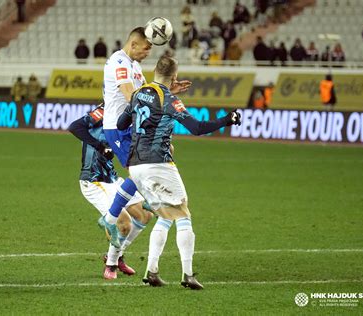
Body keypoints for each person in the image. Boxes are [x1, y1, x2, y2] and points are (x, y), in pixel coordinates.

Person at [116, 55, 242, 289]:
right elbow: (197, 128)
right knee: (183, 214)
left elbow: (122, 124)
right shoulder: (170, 100)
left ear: (154, 71)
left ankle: (151, 271)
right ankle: (188, 274)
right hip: (158, 164)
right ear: (174, 76)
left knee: (165, 216)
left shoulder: (138, 93)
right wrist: (228, 118)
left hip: (136, 166)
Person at [99, 27, 191, 248]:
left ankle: (116, 227)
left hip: (132, 126)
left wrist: (167, 90)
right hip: (117, 127)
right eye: (146, 48)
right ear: (133, 45)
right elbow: (131, 95)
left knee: (161, 156)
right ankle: (110, 217)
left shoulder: (135, 66)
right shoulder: (119, 63)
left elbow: (146, 95)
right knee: (141, 168)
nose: (148, 52)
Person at [68, 105, 151, 280]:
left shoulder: (129, 113)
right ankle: (111, 264)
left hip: (112, 179)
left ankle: (116, 255)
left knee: (144, 215)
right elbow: (75, 127)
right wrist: (99, 146)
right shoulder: (104, 111)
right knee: (124, 222)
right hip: (93, 181)